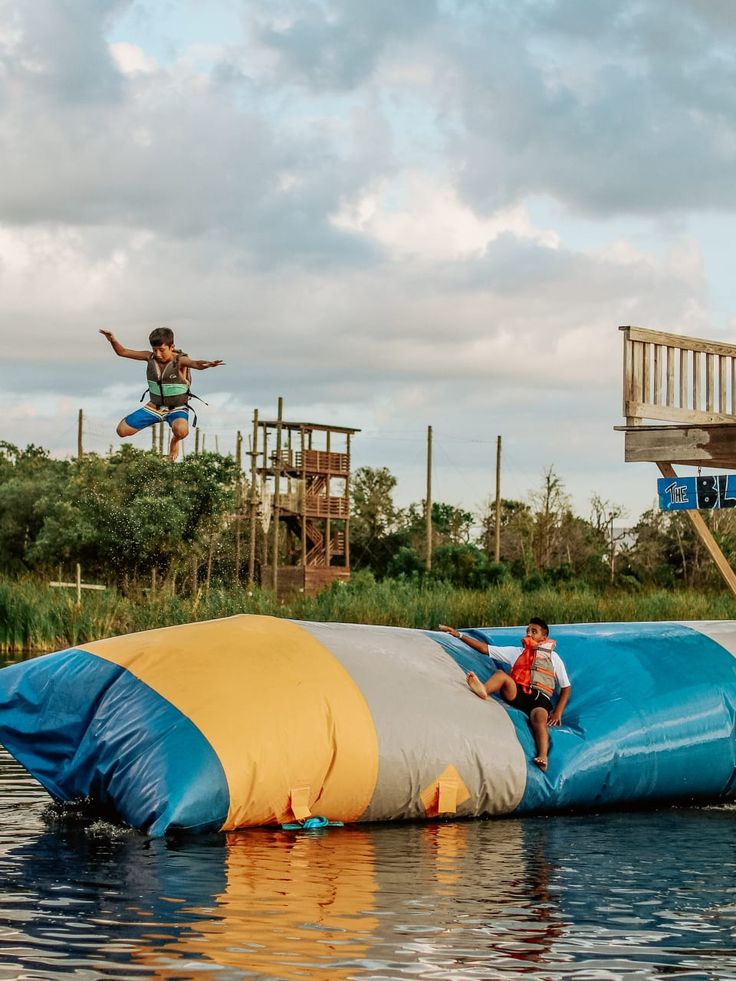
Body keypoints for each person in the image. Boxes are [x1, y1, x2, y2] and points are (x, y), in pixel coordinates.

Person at [438, 618, 571, 772]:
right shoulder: (517, 652)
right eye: (527, 630)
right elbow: (484, 648)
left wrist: (558, 712)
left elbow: (566, 688)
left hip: (540, 699)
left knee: (539, 717)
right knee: (501, 675)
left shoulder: (553, 658)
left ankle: (543, 756)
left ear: (544, 636)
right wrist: (459, 635)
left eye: (534, 631)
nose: (529, 634)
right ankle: (484, 690)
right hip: (518, 694)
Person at [100, 327, 224, 461]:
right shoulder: (149, 357)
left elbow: (195, 363)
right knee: (122, 431)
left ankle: (175, 441)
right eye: (155, 350)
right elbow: (122, 352)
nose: (158, 354)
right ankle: (158, 422)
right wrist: (112, 340)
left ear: (172, 347)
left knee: (181, 430)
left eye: (162, 350)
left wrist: (208, 364)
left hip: (177, 408)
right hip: (154, 407)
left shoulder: (180, 361)